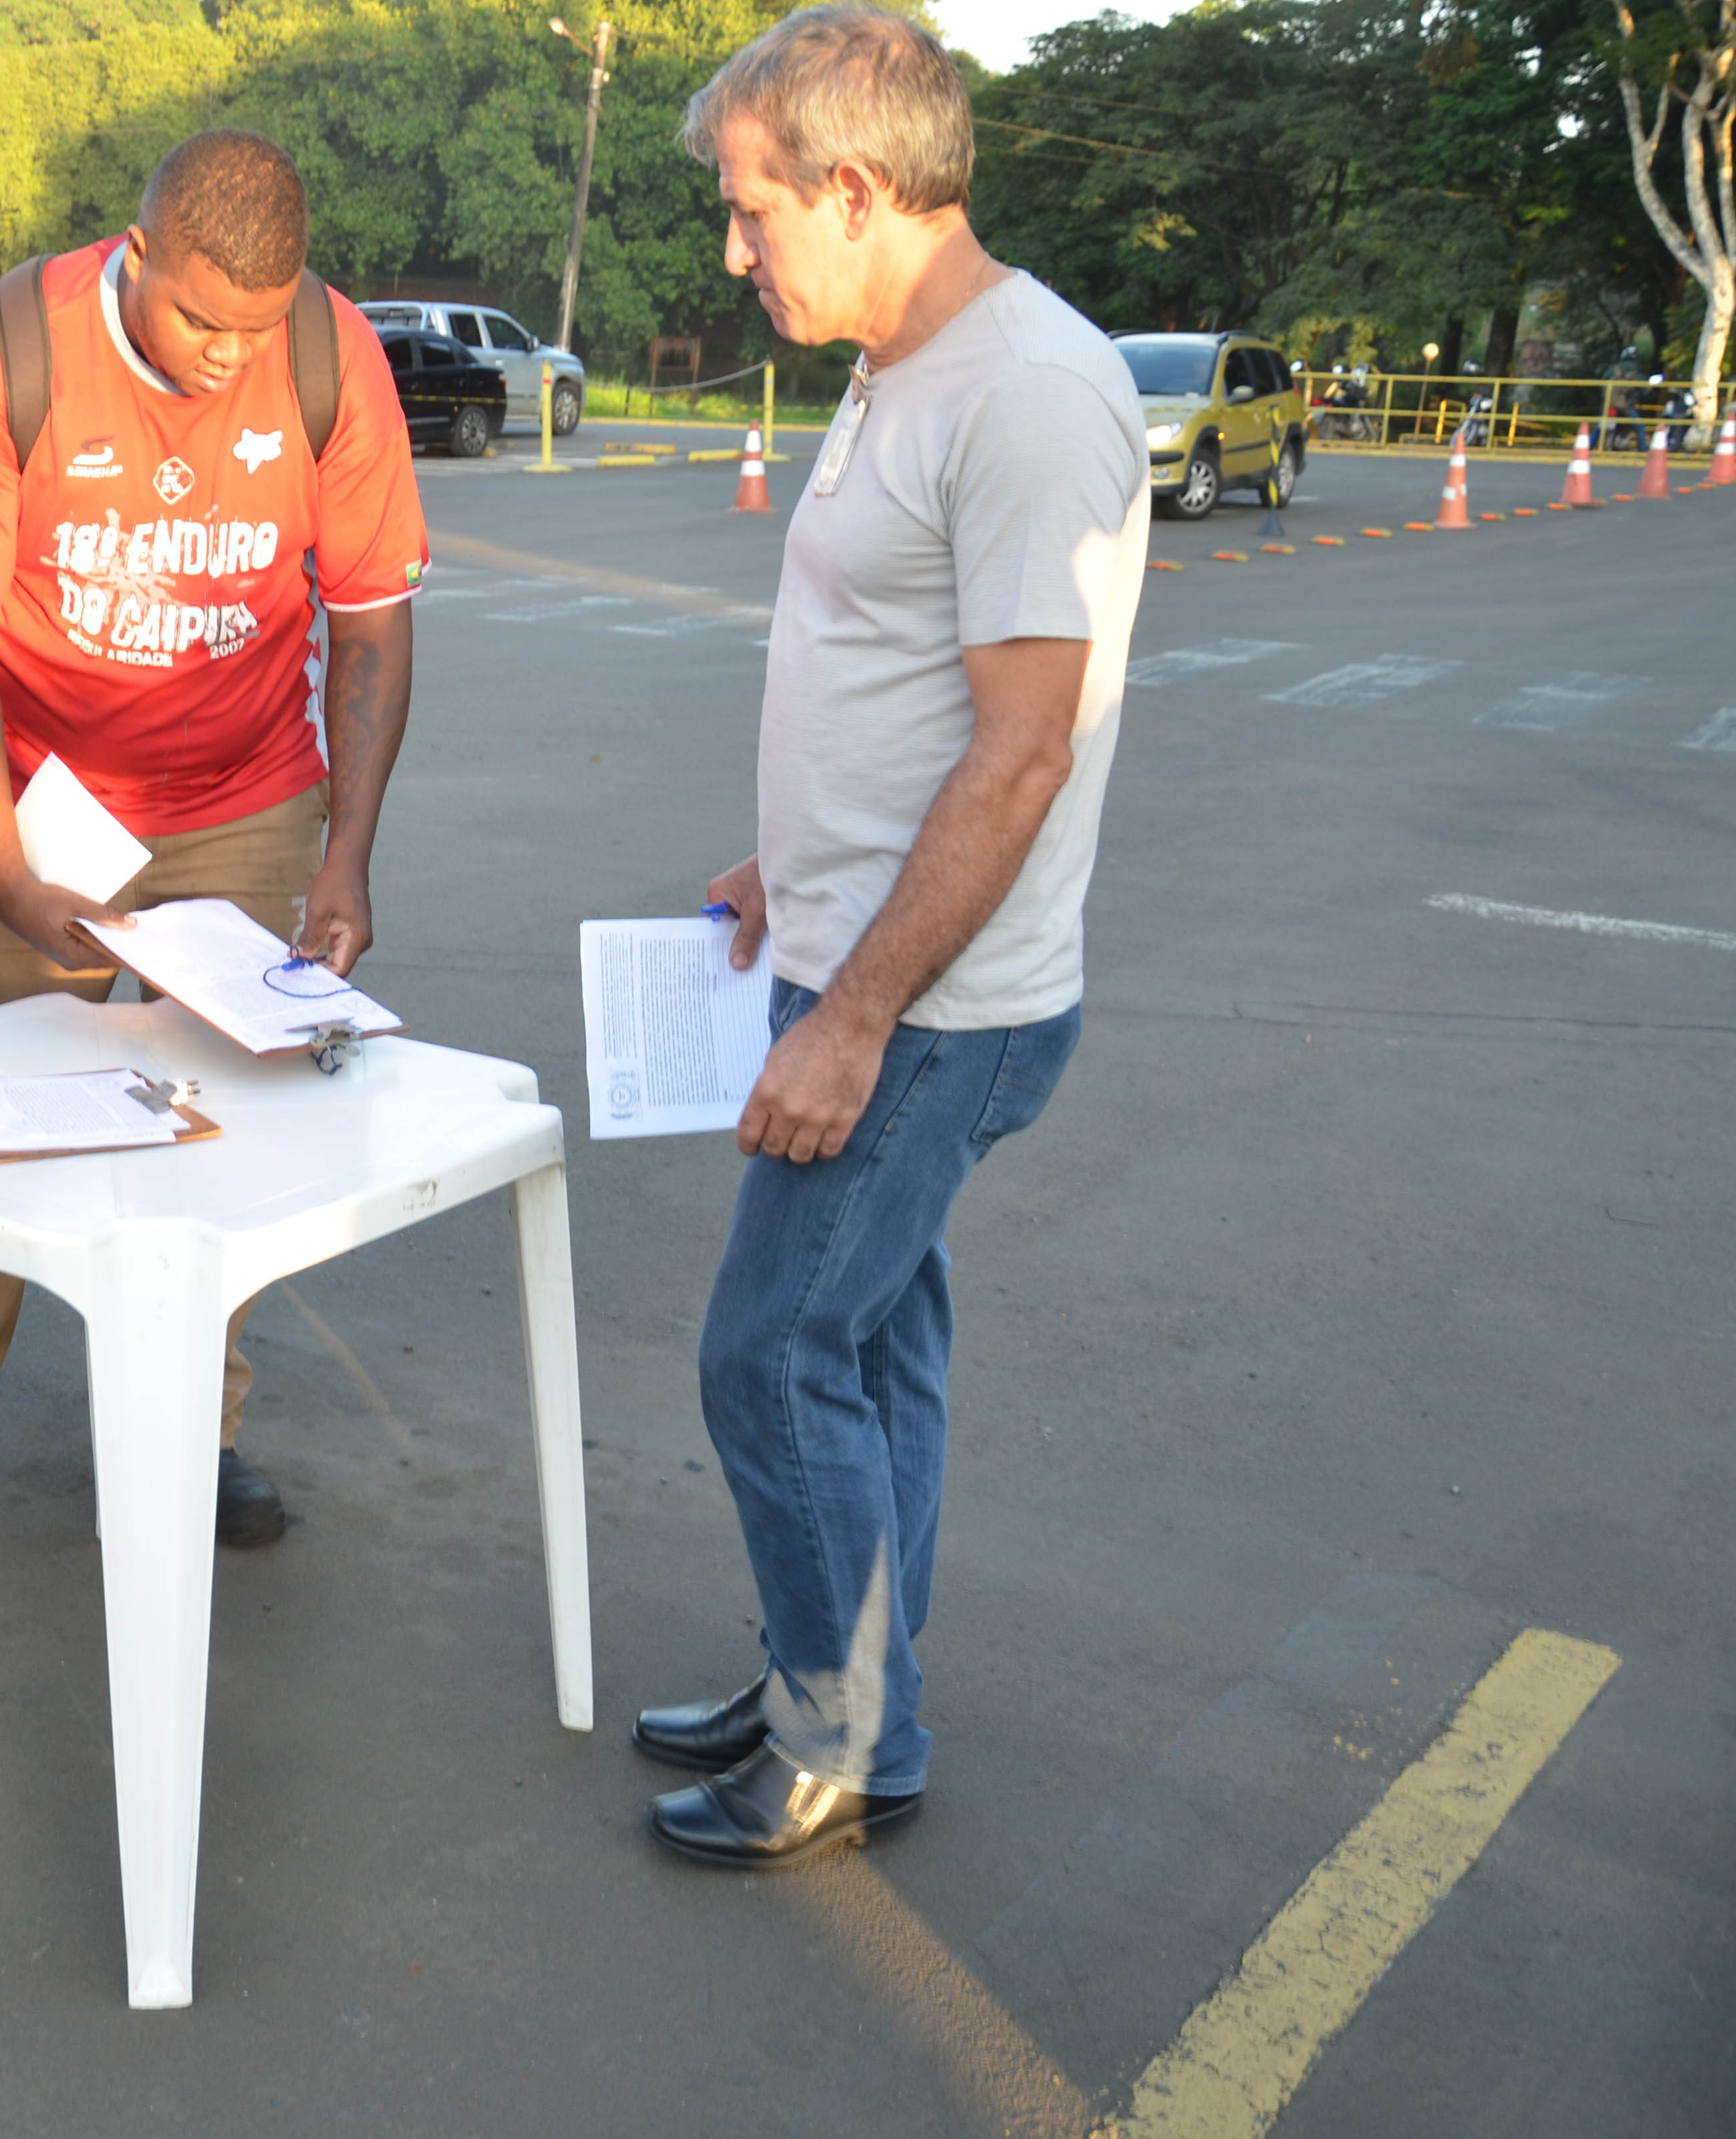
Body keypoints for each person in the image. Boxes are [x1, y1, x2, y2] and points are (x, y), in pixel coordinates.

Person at [634, 5, 1146, 1869]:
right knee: (870, 1350)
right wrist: (792, 864)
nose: (734, 248)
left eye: (753, 208)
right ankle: (843, 1682)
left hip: (929, 1009)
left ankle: (842, 1734)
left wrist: (849, 1016)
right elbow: (899, 683)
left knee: (770, 1358)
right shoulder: (897, 363)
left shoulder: (1028, 392)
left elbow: (1021, 754)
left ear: (854, 191)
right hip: (862, 950)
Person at [0, 128, 428, 1546]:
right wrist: (3, 871)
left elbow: (370, 624)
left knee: (215, 1129)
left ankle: (191, 1421)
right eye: (203, 320)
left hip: (243, 793)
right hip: (39, 789)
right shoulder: (11, 352)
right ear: (137, 253)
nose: (234, 356)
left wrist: (347, 853)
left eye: (260, 326)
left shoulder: (332, 359)